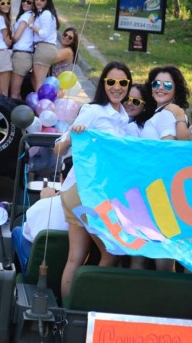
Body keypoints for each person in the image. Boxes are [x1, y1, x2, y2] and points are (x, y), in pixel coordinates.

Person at [56, 61, 132, 299]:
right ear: (103, 84)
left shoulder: (124, 117)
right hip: (82, 193)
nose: (116, 87)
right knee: (111, 252)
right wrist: (72, 136)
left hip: (93, 193)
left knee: (77, 256)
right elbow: (58, 148)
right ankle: (84, 302)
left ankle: (71, 307)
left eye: (122, 82)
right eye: (111, 82)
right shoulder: (93, 111)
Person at [134, 65, 190, 271]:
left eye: (168, 85)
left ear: (176, 89)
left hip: (159, 192)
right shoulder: (161, 113)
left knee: (162, 254)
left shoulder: (166, 114)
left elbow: (168, 149)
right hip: (149, 190)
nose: (161, 88)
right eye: (156, 83)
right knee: (144, 253)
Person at [11, 157, 73, 274]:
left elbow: (29, 234)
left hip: (40, 273)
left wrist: (45, 202)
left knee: (17, 231)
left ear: (61, 179)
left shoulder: (42, 206)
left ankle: (22, 274)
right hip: (71, 270)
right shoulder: (96, 210)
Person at [28, 0, 59, 92]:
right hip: (46, 48)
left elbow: (43, 34)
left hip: (44, 48)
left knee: (39, 82)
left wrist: (31, 25)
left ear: (47, 1)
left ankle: (40, 105)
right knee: (35, 79)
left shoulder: (46, 14)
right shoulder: (44, 13)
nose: (38, 1)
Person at [10, 0, 35, 100]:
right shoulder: (29, 16)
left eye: (29, 2)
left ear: (33, 5)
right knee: (15, 92)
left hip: (21, 55)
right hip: (24, 56)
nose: (25, 3)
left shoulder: (26, 16)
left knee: (14, 93)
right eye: (24, 0)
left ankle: (19, 116)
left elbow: (16, 37)